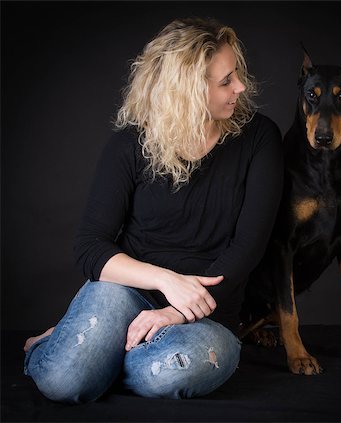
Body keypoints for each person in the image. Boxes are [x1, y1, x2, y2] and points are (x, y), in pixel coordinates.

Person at [23, 17, 283, 403]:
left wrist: (177, 310)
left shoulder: (260, 138)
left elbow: (249, 245)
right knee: (63, 381)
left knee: (177, 369)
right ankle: (58, 350)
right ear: (188, 92)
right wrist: (165, 280)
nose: (240, 87)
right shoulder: (130, 145)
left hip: (205, 313)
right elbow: (90, 247)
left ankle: (94, 354)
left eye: (237, 75)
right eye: (225, 81)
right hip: (128, 293)